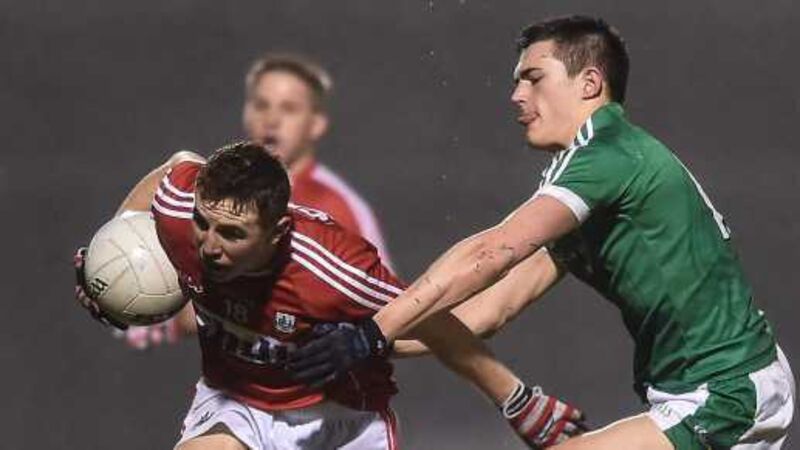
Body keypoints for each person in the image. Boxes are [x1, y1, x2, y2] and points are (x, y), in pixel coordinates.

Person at [286, 16, 796, 450]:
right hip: (711, 388)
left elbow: (492, 252)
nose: (516, 96)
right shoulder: (593, 182)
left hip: (726, 391)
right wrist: (375, 343)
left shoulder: (607, 154)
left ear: (589, 83)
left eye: (533, 78)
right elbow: (491, 310)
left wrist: (372, 331)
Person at [75, 142, 587, 449]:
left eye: (232, 234)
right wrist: (111, 256)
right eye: (203, 224)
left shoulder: (335, 270)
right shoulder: (181, 210)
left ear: (277, 232)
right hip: (237, 401)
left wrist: (517, 400)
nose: (208, 246)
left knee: (479, 318)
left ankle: (573, 248)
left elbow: (444, 321)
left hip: (338, 418)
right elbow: (178, 166)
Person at [123, 54, 394, 349]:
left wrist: (357, 342)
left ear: (316, 124)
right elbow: (173, 174)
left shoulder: (341, 207)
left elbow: (393, 315)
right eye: (261, 105)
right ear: (246, 112)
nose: (272, 120)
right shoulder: (214, 191)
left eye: (289, 109)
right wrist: (126, 280)